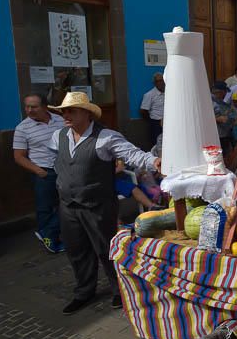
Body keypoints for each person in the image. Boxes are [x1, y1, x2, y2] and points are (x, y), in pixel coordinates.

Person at [48, 92, 161, 315]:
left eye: (71, 111)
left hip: (98, 205)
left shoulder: (106, 137)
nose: (65, 115)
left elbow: (133, 155)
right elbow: (59, 162)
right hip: (69, 206)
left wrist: (154, 161)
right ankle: (84, 291)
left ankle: (119, 290)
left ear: (87, 113)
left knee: (106, 249)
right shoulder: (58, 136)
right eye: (63, 111)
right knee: (77, 250)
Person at [13, 93, 65, 253]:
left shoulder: (60, 120)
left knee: (68, 203)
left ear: (44, 106)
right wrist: (39, 171)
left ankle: (47, 233)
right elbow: (18, 156)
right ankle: (50, 239)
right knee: (45, 208)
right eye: (27, 106)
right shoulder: (22, 128)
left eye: (34, 106)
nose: (29, 110)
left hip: (65, 170)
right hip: (44, 172)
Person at [212, 81, 237, 155]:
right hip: (220, 135)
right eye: (225, 92)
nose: (225, 95)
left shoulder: (220, 102)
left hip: (224, 134)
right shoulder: (213, 103)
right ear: (220, 92)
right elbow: (221, 119)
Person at [140, 72, 165, 147]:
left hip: (167, 122)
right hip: (156, 123)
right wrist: (151, 120)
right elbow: (143, 110)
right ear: (154, 83)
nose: (161, 83)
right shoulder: (149, 95)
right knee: (157, 144)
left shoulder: (168, 92)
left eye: (162, 80)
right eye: (158, 81)